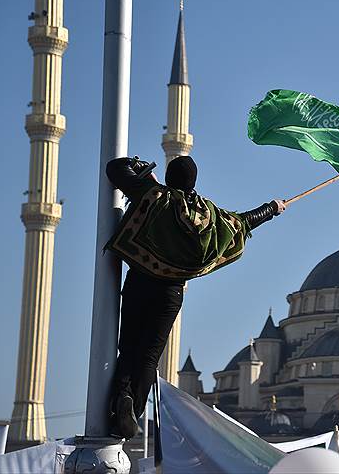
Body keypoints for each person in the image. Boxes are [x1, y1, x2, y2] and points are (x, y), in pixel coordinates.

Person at [104, 155, 285, 439]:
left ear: (168, 177)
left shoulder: (155, 197)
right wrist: (271, 208)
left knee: (128, 348)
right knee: (150, 356)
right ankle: (132, 412)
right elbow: (243, 223)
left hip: (140, 281)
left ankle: (122, 399)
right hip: (171, 292)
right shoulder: (209, 217)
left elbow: (114, 170)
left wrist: (138, 166)